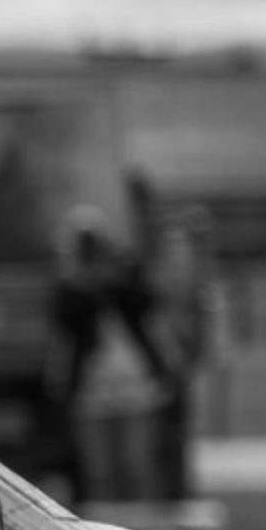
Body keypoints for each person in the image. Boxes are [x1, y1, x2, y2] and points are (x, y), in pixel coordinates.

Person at [48, 204, 176, 503]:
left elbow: (147, 305)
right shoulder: (70, 291)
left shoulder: (126, 281)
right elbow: (66, 327)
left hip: (135, 382)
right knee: (99, 470)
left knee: (137, 465)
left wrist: (115, 273)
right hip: (92, 387)